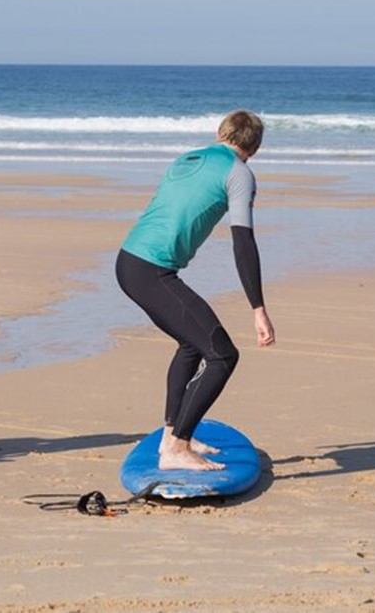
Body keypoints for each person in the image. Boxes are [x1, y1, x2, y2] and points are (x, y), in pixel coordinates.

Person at [116, 110, 276, 472]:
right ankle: (176, 448)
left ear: (221, 133)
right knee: (222, 355)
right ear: (255, 147)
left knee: (192, 345)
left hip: (129, 261)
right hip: (151, 271)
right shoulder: (239, 173)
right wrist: (258, 308)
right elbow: (243, 243)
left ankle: (172, 434)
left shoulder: (187, 158)